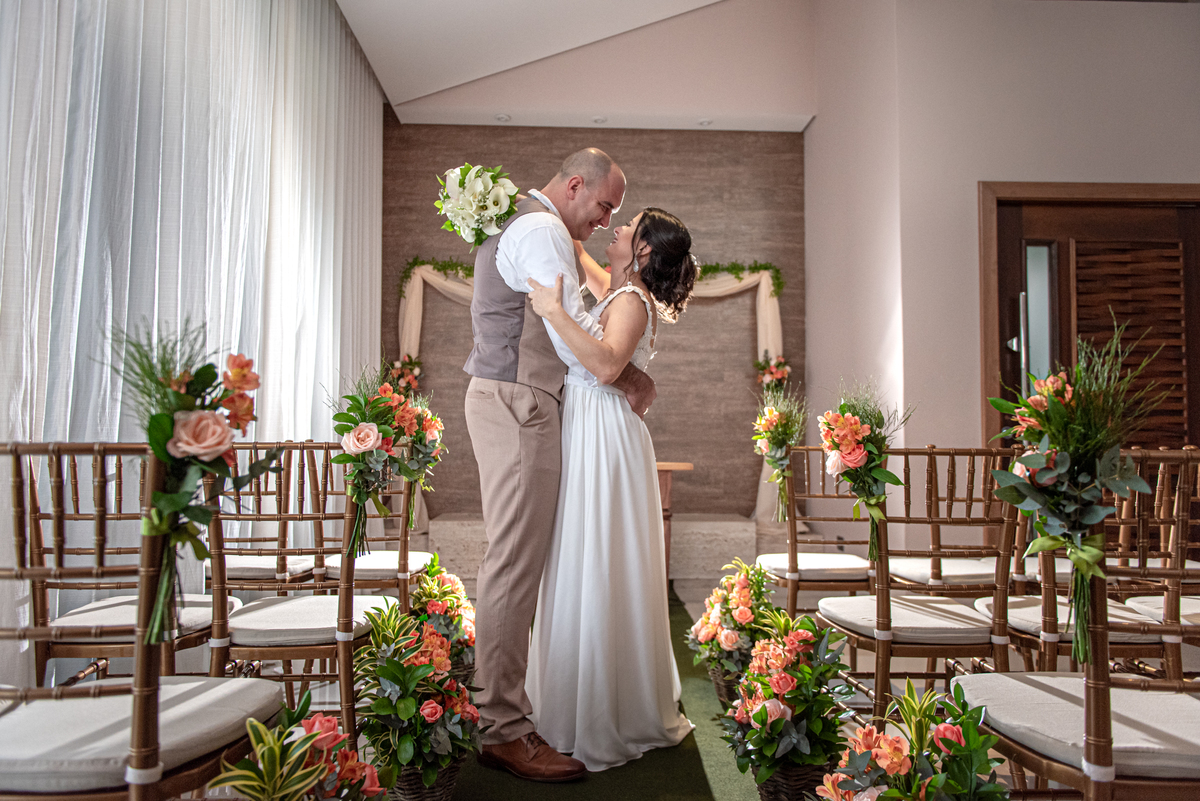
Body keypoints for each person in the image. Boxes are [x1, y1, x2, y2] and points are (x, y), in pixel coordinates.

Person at [463, 148, 656, 783]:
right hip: (519, 401)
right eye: (605, 206)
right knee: (514, 566)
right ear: (575, 185)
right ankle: (503, 729)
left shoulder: (541, 227)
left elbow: (590, 304)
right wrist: (627, 377)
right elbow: (571, 336)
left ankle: (506, 713)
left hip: (523, 400)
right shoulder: (543, 228)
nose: (605, 221)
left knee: (518, 563)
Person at [524, 207, 699, 771]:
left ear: (644, 251)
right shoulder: (618, 288)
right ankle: (576, 699)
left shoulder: (629, 301)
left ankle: (602, 713)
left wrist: (553, 309)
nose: (616, 229)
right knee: (580, 552)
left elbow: (602, 366)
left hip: (602, 429)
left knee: (596, 556)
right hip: (590, 427)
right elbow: (578, 252)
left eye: (630, 227)